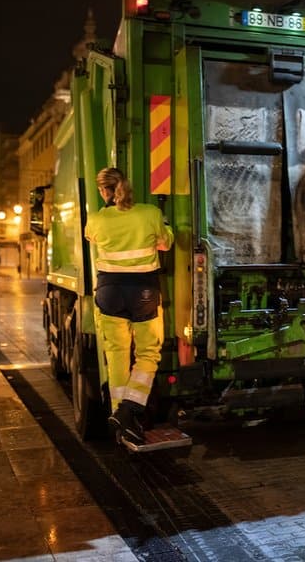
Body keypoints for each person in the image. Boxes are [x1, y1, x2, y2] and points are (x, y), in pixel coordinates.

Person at [84, 167, 173, 445]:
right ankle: (129, 409)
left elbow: (93, 239)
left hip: (110, 292)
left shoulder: (96, 220)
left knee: (117, 353)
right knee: (148, 352)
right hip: (143, 292)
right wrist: (165, 230)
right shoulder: (150, 213)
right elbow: (166, 243)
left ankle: (119, 417)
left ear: (104, 191)